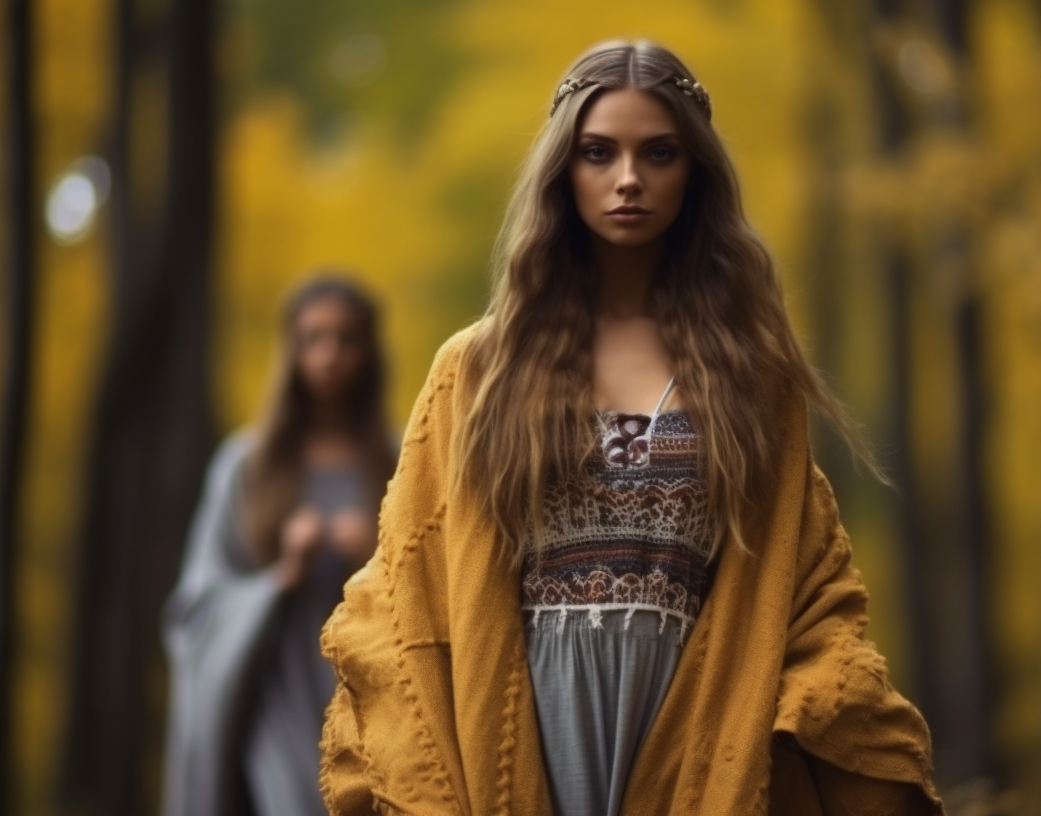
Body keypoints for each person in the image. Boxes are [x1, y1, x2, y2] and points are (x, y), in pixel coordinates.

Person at [320, 41, 943, 816]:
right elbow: (411, 584)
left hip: (691, 730)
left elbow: (805, 592)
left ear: (695, 173)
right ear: (563, 170)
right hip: (520, 734)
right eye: (597, 152)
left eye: (658, 153)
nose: (628, 179)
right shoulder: (479, 369)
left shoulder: (754, 380)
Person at [161, 276, 396, 816]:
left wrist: (378, 563)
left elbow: (439, 593)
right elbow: (195, 612)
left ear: (369, 350)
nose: (329, 355)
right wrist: (281, 578)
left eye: (346, 339)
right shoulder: (245, 467)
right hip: (276, 704)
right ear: (291, 348)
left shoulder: (400, 461)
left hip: (377, 709)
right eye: (313, 338)